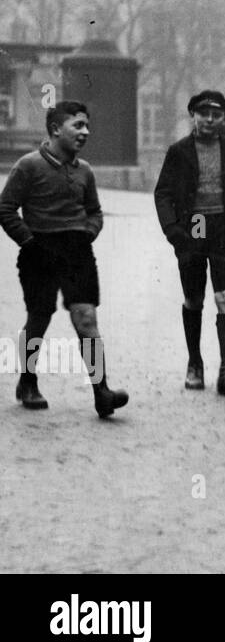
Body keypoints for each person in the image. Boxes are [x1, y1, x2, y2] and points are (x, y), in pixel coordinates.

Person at [0, 100, 129, 417]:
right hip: (38, 251)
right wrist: (29, 243)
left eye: (87, 126)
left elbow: (94, 211)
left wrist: (88, 233)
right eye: (78, 125)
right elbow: (5, 209)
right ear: (56, 129)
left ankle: (102, 391)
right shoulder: (28, 166)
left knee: (87, 319)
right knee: (39, 318)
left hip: (77, 252)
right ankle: (27, 382)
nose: (85, 132)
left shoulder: (84, 170)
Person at [153, 90, 225, 394]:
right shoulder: (180, 150)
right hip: (195, 226)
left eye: (216, 114)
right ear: (193, 115)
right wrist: (174, 231)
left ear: (224, 117)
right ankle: (195, 363)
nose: (209, 120)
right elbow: (163, 193)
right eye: (203, 114)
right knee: (194, 298)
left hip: (224, 228)